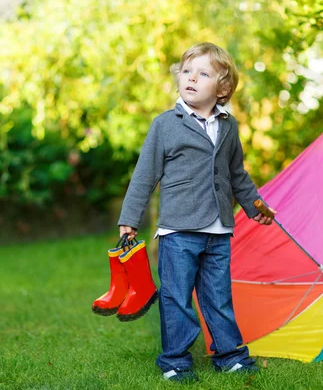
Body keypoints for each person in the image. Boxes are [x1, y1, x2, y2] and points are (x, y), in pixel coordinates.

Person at [117, 42, 275, 383]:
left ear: (222, 87)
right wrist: (129, 219)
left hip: (218, 229)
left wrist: (254, 206)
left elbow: (236, 174)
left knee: (218, 297)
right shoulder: (166, 125)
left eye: (203, 73)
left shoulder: (228, 126)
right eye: (186, 71)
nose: (191, 78)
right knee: (176, 298)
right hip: (178, 230)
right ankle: (175, 361)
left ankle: (230, 355)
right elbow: (145, 175)